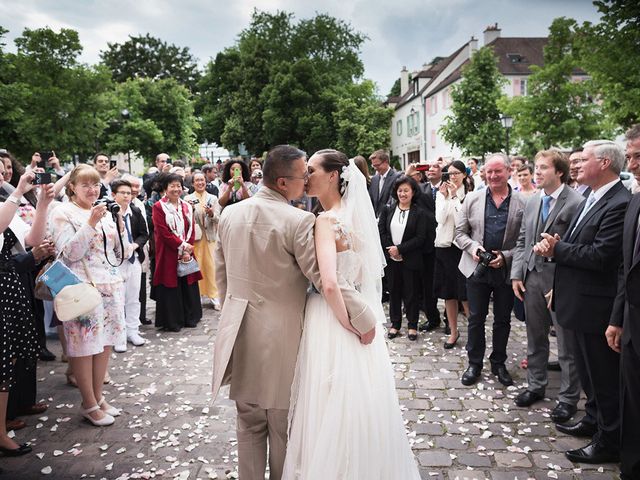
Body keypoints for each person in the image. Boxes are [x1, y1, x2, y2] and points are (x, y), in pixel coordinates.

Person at [212, 145, 377, 480]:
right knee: (282, 426)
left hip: (238, 334)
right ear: (283, 183)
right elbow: (324, 276)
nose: (307, 182)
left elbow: (222, 277)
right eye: (303, 176)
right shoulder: (299, 220)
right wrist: (364, 316)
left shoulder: (229, 213)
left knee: (248, 424)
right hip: (280, 340)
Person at [281, 149, 420, 479]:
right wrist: (362, 322)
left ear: (332, 176)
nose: (306, 176)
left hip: (333, 318)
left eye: (311, 170)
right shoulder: (356, 217)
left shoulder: (325, 221)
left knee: (327, 398)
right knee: (359, 398)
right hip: (360, 309)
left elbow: (329, 284)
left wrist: (350, 325)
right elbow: (361, 275)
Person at [534, 140, 630, 464]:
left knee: (603, 378)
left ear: (604, 163)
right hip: (577, 301)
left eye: (583, 159)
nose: (576, 165)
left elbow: (602, 255)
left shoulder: (619, 201)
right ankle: (592, 420)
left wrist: (556, 250)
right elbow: (581, 243)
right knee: (589, 375)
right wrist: (560, 245)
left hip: (596, 306)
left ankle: (608, 440)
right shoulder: (590, 195)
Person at [49, 164, 129, 426]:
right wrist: (91, 222)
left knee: (104, 343)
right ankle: (88, 403)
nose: (92, 189)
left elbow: (119, 251)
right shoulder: (63, 212)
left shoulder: (104, 211)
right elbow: (69, 253)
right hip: (81, 288)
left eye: (95, 184)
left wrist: (117, 221)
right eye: (85, 185)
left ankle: (98, 397)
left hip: (109, 284)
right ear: (72, 186)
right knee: (83, 347)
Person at [510, 149, 583, 422]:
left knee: (566, 344)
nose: (536, 172)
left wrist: (563, 281)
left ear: (559, 172)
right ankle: (535, 385)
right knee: (535, 336)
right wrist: (517, 275)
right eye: (536, 167)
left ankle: (568, 399)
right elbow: (522, 241)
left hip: (559, 279)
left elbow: (577, 247)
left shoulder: (576, 202)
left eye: (543, 168)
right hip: (531, 277)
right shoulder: (532, 201)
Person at [455, 153, 526, 387]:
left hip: (506, 271)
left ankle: (499, 362)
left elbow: (525, 240)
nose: (493, 176)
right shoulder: (472, 199)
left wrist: (505, 257)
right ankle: (474, 363)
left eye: (498, 171)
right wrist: (475, 249)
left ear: (508, 171)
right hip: (477, 268)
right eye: (489, 171)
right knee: (475, 318)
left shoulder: (522, 202)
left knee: (503, 320)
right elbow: (459, 233)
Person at [0, 171, 53, 455]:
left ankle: (0, 429)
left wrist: (43, 203)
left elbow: (31, 239)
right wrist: (18, 191)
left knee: (7, 360)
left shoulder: (5, 202)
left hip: (9, 290)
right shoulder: (9, 200)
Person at [608, 129, 640, 480]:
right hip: (632, 324)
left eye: (638, 157)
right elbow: (624, 267)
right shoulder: (635, 202)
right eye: (630, 157)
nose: (632, 165)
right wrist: (617, 319)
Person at [379, 175, 428, 341]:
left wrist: (400, 249)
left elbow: (420, 237)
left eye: (406, 190)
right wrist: (391, 250)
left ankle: (412, 325)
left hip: (411, 259)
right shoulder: (388, 209)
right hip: (391, 260)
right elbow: (382, 232)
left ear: (413, 192)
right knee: (394, 292)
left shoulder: (419, 212)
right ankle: (395, 324)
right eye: (400, 190)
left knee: (411, 293)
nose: (402, 193)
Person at [152, 173, 203, 332]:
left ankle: (190, 317)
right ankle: (174, 321)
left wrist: (188, 246)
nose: (176, 189)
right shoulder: (159, 207)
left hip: (187, 249)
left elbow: (191, 227)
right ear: (165, 188)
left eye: (178, 186)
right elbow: (163, 232)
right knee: (171, 283)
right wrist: (182, 246)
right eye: (172, 186)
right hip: (169, 251)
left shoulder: (186, 206)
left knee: (188, 281)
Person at [434, 160, 471, 349]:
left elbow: (461, 221)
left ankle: (474, 332)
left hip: (462, 248)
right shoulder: (441, 194)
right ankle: (453, 331)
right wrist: (445, 198)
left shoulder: (469, 195)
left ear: (464, 175)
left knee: (464, 293)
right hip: (444, 246)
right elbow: (439, 219)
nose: (453, 177)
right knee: (449, 293)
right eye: (449, 173)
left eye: (456, 173)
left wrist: (455, 197)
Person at [111, 179, 148, 352]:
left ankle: (133, 330)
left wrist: (135, 245)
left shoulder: (135, 211)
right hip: (116, 262)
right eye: (123, 193)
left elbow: (143, 234)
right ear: (113, 195)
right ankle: (119, 334)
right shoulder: (109, 214)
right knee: (118, 298)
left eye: (129, 193)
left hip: (134, 259)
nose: (127, 196)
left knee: (134, 297)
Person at [184, 172, 220, 310]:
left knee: (211, 266)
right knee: (196, 266)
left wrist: (211, 214)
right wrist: (191, 210)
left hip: (210, 237)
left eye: (202, 180)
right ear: (192, 183)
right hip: (196, 238)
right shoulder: (188, 199)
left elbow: (219, 218)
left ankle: (214, 295)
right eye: (197, 180)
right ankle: (197, 295)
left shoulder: (213, 198)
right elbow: (185, 219)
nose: (200, 183)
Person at [368, 149, 399, 218]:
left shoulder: (397, 177)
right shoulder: (374, 179)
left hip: (389, 218)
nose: (375, 168)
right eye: (373, 166)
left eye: (377, 165)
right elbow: (371, 201)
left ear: (386, 162)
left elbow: (393, 201)